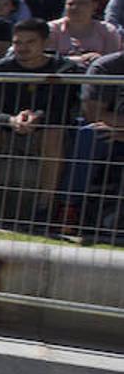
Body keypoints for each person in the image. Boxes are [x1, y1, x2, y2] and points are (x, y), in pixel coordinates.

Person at [0, 18, 82, 231]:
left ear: (45, 43)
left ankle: (44, 208)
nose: (23, 48)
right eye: (18, 42)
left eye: (30, 42)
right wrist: (11, 120)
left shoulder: (65, 69)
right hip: (7, 131)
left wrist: (36, 117)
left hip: (45, 131)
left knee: (54, 135)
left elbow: (62, 108)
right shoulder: (0, 68)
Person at [63, 49, 124, 244]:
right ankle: (68, 209)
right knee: (90, 133)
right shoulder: (106, 66)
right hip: (111, 133)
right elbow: (94, 113)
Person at [48, 0, 122, 67]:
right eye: (70, 4)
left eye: (81, 3)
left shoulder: (108, 31)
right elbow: (47, 60)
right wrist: (81, 59)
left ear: (94, 5)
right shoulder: (52, 29)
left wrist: (100, 59)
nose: (75, 8)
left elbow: (115, 63)